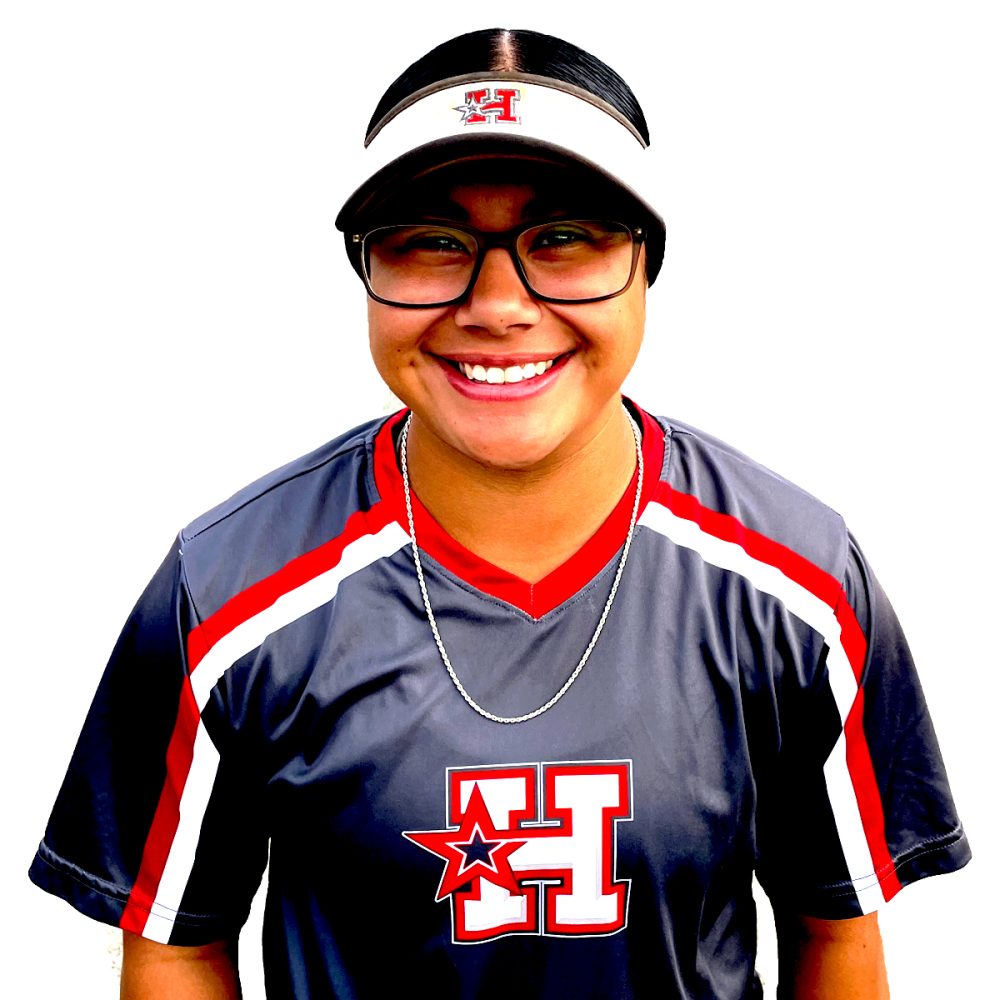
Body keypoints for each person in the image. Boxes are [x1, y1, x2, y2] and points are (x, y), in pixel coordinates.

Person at [29, 27, 969, 1000]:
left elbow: (832, 929)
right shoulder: (227, 591)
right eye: (433, 242)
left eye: (563, 237)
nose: (498, 304)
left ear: (646, 262)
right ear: (364, 267)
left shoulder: (798, 583)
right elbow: (179, 941)